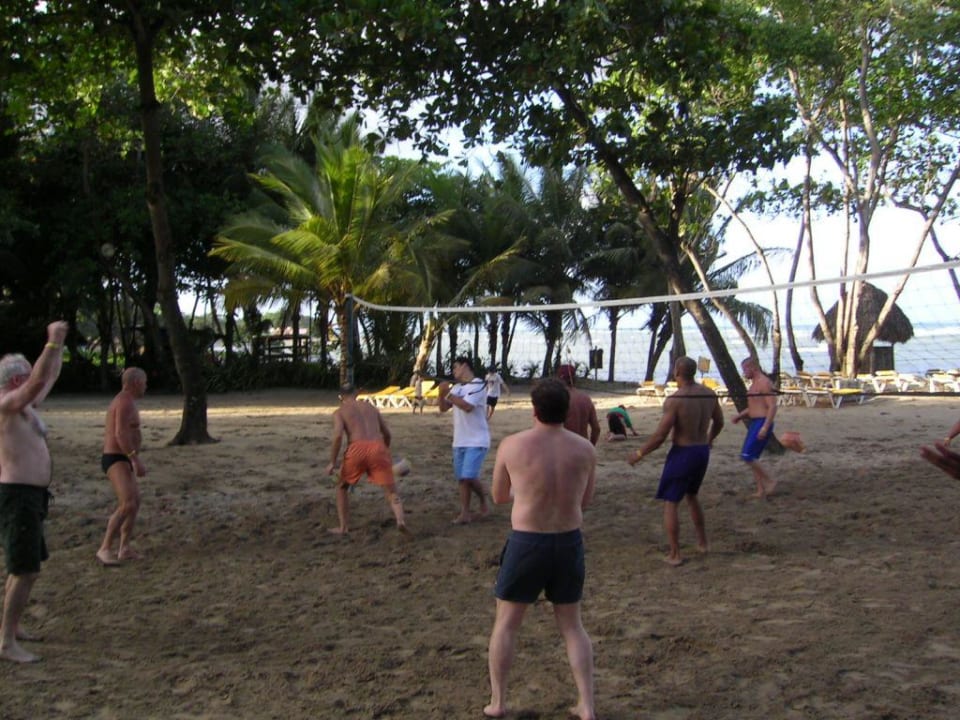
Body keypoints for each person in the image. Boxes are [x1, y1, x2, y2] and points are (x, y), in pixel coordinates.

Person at [484, 378, 597, 720]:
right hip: (568, 540)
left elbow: (499, 497)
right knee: (572, 625)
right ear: (566, 409)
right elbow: (585, 501)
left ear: (534, 410)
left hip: (527, 541)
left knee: (506, 624)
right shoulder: (584, 449)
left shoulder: (513, 445)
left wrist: (528, 492)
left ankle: (498, 702)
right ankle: (587, 706)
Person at [0, 320, 68, 663]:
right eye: (25, 375)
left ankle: (10, 628)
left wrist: (57, 349)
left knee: (23, 568)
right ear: (16, 380)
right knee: (24, 570)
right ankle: (5, 642)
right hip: (18, 496)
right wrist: (52, 343)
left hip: (30, 496)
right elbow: (39, 380)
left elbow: (47, 378)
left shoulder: (22, 404)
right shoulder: (7, 403)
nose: (32, 379)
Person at [628, 356, 724, 567]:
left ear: (676, 373)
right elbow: (719, 422)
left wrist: (639, 453)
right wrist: (709, 440)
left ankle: (675, 554)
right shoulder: (709, 394)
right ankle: (703, 543)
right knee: (692, 496)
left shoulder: (675, 400)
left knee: (671, 502)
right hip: (701, 451)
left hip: (683, 452)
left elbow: (660, 436)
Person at [326, 383, 407, 535]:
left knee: (342, 487)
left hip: (356, 448)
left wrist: (332, 461)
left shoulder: (339, 412)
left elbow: (337, 436)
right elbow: (387, 434)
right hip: (378, 447)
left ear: (340, 397)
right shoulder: (371, 407)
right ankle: (400, 520)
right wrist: (385, 452)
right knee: (390, 489)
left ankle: (343, 527)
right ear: (356, 393)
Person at [97, 367, 148, 566]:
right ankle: (105, 548)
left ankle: (124, 548)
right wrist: (134, 459)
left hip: (123, 457)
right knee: (127, 503)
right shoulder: (124, 402)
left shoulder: (128, 401)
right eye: (145, 383)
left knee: (135, 502)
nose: (146, 387)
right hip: (116, 457)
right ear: (135, 383)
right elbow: (120, 434)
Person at [439, 356, 490, 524]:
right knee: (462, 478)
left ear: (465, 366)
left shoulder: (479, 384)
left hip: (477, 440)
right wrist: (442, 393)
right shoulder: (457, 387)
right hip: (459, 440)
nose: (454, 371)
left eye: (455, 367)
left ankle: (483, 500)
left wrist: (448, 394)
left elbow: (468, 407)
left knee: (468, 476)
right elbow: (443, 408)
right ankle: (465, 513)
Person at [731, 356, 778, 498]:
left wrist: (765, 426)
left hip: (762, 422)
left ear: (753, 368)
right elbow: (754, 406)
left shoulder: (764, 383)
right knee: (752, 457)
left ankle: (770, 481)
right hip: (755, 421)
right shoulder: (754, 384)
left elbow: (772, 406)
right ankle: (760, 489)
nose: (744, 373)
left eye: (745, 370)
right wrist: (740, 416)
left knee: (747, 455)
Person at [557, 364, 600, 446]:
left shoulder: (557, 399)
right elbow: (596, 429)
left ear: (559, 379)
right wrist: (591, 446)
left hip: (563, 447)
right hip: (582, 446)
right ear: (574, 378)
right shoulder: (585, 398)